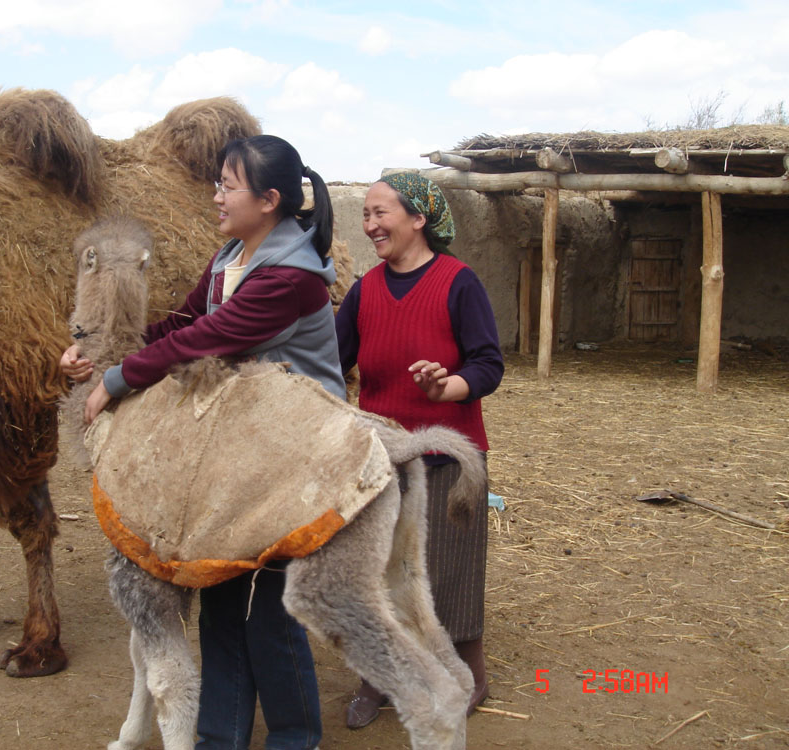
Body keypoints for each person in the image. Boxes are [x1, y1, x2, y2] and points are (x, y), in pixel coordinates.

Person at [61, 134, 341, 750]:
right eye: (217, 183)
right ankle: (219, 737)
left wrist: (117, 378)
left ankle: (294, 738)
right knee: (218, 596)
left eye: (227, 186)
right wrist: (101, 348)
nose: (215, 196)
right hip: (238, 447)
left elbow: (207, 340)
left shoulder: (291, 279)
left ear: (268, 200)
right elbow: (182, 324)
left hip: (291, 455)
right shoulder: (231, 258)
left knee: (267, 609)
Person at [335, 171, 503, 729]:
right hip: (382, 458)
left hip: (449, 456)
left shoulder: (458, 283)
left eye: (380, 212)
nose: (370, 224)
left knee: (448, 568)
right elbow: (335, 360)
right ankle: (378, 676)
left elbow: (487, 364)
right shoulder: (364, 289)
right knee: (380, 569)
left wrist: (444, 386)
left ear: (418, 218)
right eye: (365, 214)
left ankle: (468, 671)